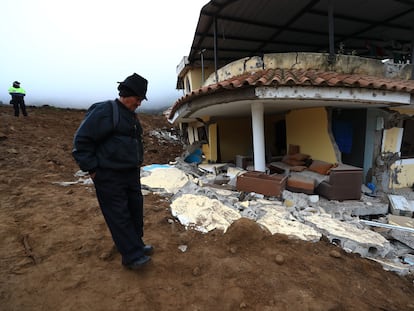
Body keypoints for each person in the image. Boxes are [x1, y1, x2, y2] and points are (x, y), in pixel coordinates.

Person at [72, 73, 153, 270]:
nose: (139, 103)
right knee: (119, 215)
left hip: (130, 173)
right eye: (138, 99)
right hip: (109, 175)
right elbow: (81, 141)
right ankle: (131, 256)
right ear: (127, 94)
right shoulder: (105, 111)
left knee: (135, 210)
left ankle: (137, 245)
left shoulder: (131, 116)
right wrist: (92, 170)